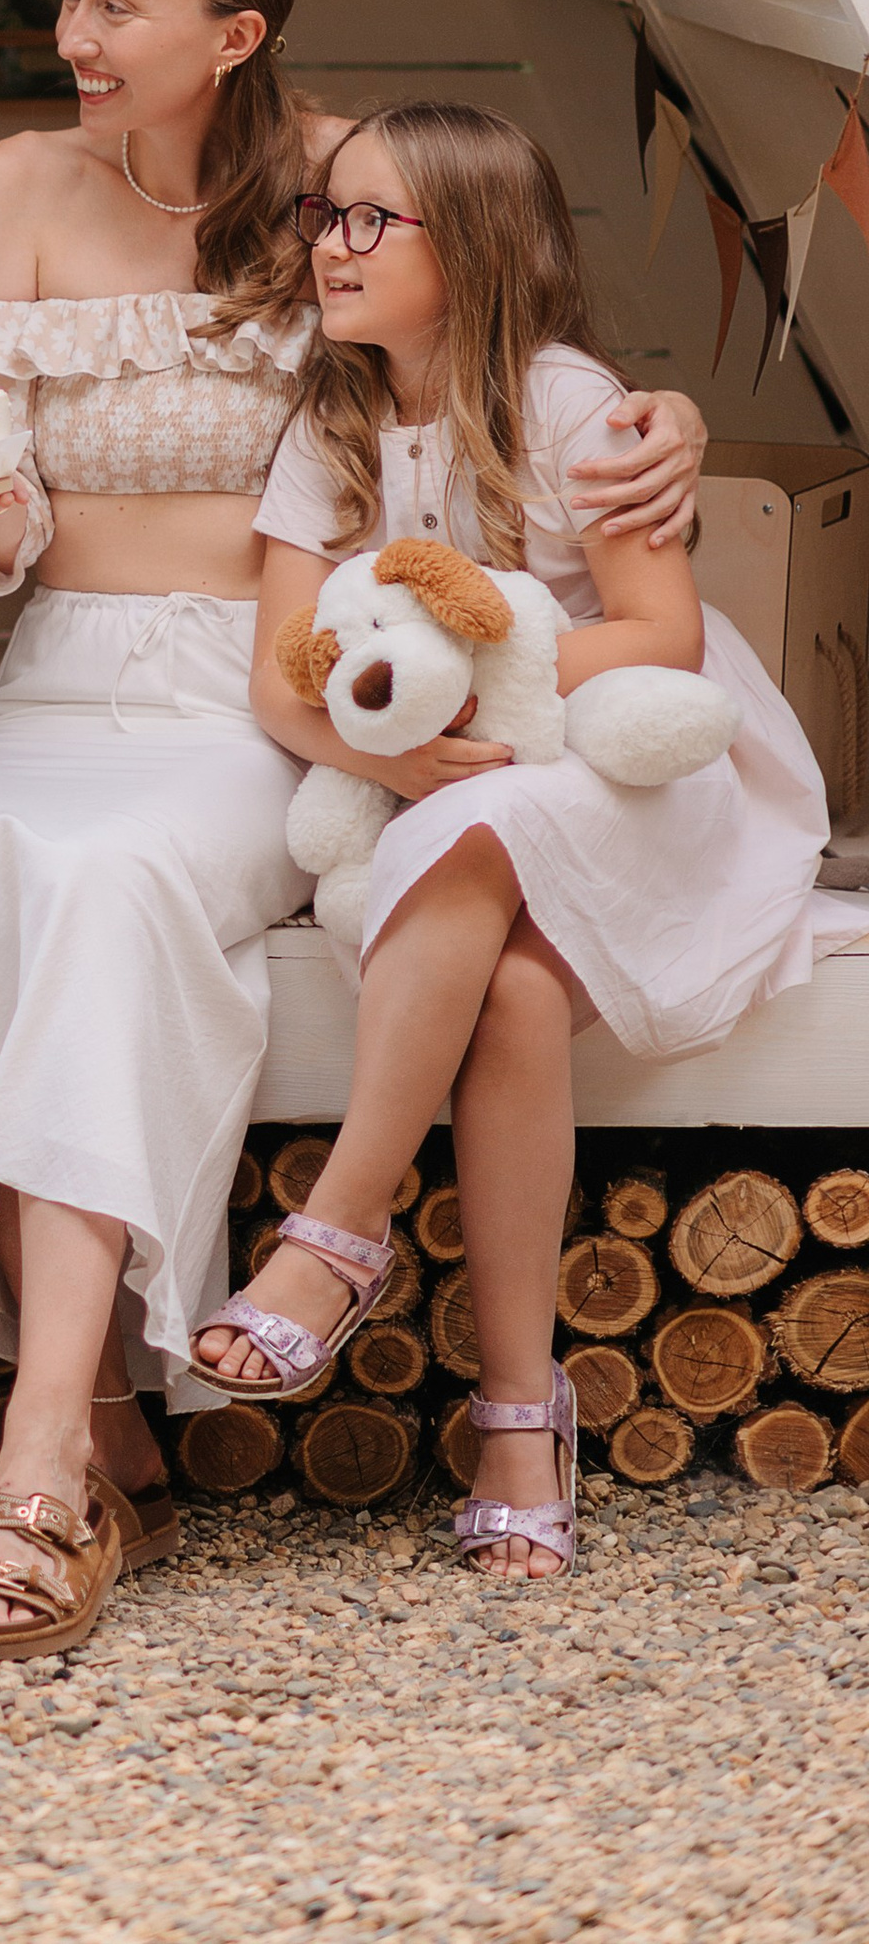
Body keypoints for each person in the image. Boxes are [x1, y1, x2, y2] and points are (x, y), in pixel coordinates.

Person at [0, 0, 709, 1665]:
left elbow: (496, 335)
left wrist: (671, 418)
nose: (72, 33)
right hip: (52, 674)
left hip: (276, 685)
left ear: (235, 32)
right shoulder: (14, 181)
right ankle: (108, 1426)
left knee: (112, 889)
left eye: (116, 3)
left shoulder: (349, 188)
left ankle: (38, 1466)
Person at [194, 103, 825, 1574]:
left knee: (479, 816)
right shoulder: (328, 417)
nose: (330, 245)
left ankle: (342, 1223)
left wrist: (474, 694)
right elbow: (282, 675)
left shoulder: (570, 402)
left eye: (371, 220)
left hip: (636, 763)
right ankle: (519, 1419)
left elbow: (662, 634)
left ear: (471, 246)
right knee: (521, 997)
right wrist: (380, 744)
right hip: (449, 779)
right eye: (323, 214)